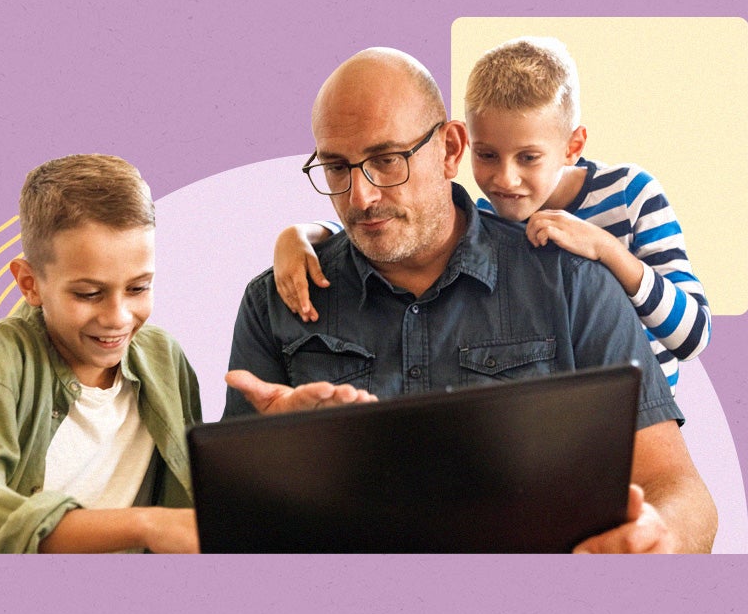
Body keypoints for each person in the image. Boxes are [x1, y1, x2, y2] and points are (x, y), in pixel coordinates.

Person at [225, 48, 717, 553]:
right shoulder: (276, 302)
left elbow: (679, 489)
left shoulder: (574, 283)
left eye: (386, 161)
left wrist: (660, 537)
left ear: (451, 149)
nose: (360, 198)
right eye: (336, 168)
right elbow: (234, 527)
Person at [271, 37, 710, 391]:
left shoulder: (631, 195)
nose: (505, 179)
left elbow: (693, 336)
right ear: (462, 147)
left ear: (573, 147)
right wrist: (310, 234)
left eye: (529, 157)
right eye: (487, 155)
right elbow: (383, 220)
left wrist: (609, 251)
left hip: (645, 409)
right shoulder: (490, 215)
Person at [0, 154, 201, 553]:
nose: (118, 317)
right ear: (29, 283)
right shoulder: (1, 359)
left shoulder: (164, 356)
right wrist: (144, 524)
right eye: (89, 294)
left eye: (138, 288)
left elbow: (202, 487)